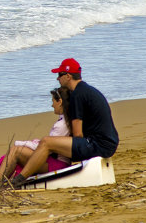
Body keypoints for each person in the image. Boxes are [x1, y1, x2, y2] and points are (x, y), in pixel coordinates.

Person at [10, 58, 118, 188]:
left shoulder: (77, 95)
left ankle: (21, 179)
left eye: (59, 75)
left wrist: (59, 147)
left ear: (68, 76)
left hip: (98, 145)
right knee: (52, 144)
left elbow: (78, 134)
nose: (57, 79)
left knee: (46, 142)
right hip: (108, 143)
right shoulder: (86, 90)